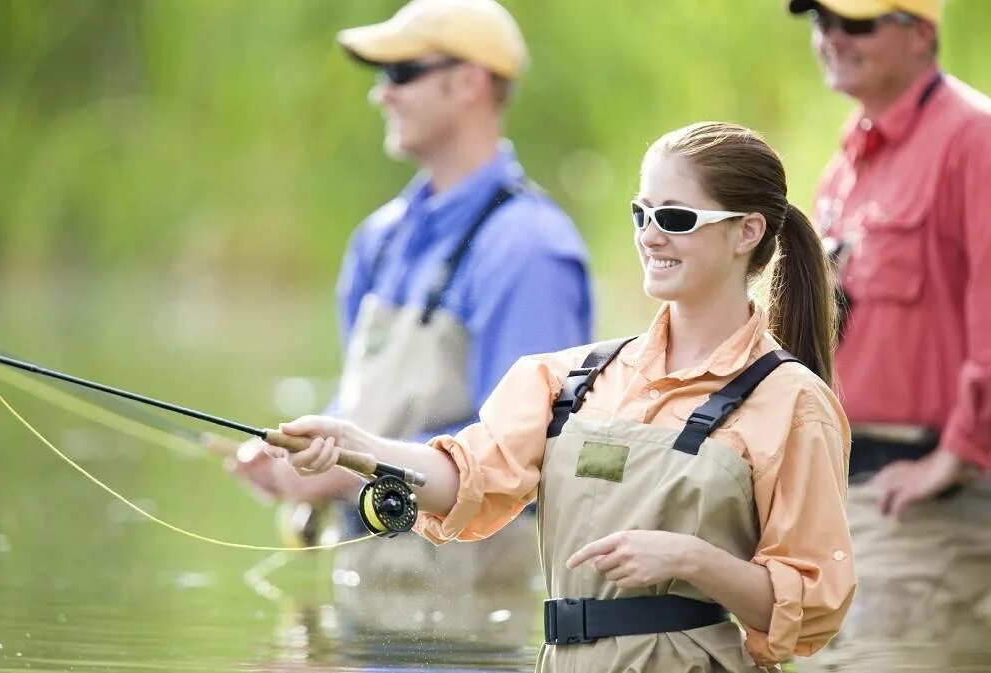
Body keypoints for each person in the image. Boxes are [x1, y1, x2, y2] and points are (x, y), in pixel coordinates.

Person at [265, 121, 856, 672]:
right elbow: (465, 478)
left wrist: (692, 559)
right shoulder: (570, 377)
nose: (649, 236)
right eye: (640, 213)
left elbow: (813, 609)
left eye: (674, 218)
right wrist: (354, 445)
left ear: (746, 231)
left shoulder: (793, 402)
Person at [229, 0, 593, 651]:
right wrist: (298, 455)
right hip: (363, 618)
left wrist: (345, 468)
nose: (380, 95)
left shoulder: (530, 251)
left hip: (475, 633)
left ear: (469, 82)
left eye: (400, 74)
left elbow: (523, 455)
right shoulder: (379, 240)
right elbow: (361, 403)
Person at [786, 0, 991, 668]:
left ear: (920, 32)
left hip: (935, 512)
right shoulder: (849, 159)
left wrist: (956, 453)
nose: (833, 37)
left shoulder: (974, 139)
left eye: (857, 23)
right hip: (850, 507)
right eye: (821, 21)